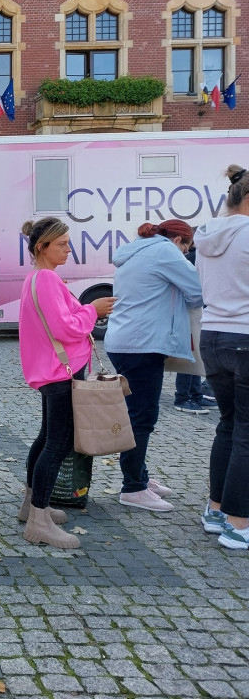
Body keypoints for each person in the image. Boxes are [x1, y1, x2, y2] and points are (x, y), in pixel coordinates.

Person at [17, 217, 115, 549]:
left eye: (68, 243)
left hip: (54, 370)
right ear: (42, 247)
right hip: (61, 372)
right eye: (62, 244)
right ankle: (38, 519)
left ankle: (32, 504)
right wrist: (93, 309)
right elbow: (64, 327)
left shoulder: (39, 278)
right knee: (57, 443)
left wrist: (87, 311)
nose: (68, 249)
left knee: (47, 438)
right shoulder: (46, 279)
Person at [104, 220, 203, 513]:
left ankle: (140, 477)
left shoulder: (136, 250)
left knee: (136, 413)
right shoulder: (166, 252)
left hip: (124, 340)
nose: (187, 254)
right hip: (143, 343)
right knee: (142, 416)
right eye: (188, 248)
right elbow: (198, 292)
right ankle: (133, 487)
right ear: (178, 240)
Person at [197, 164, 249, 549]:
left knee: (228, 425)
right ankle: (239, 523)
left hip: (212, 335)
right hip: (245, 336)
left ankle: (216, 509)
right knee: (245, 431)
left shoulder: (207, 234)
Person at [173, 241, 217, 414]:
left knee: (195, 355)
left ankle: (195, 394)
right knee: (190, 356)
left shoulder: (194, 255)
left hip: (195, 312)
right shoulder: (194, 257)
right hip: (191, 313)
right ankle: (183, 397)